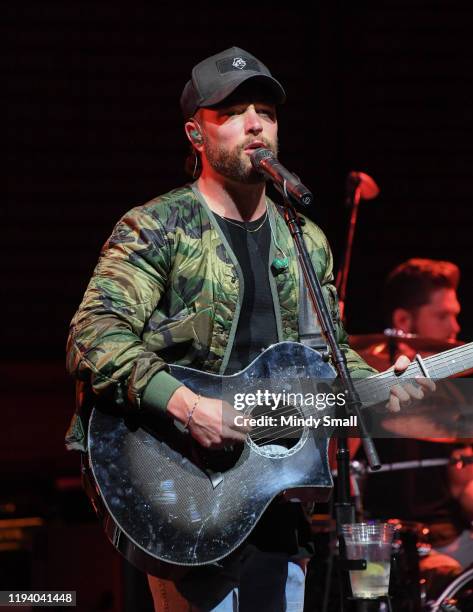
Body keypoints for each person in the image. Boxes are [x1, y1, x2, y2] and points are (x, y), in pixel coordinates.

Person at [65, 47, 428, 612]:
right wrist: (187, 405)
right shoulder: (158, 227)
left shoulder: (305, 240)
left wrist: (382, 383)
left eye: (266, 110)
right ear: (196, 134)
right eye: (232, 111)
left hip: (276, 493)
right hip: (180, 487)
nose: (255, 122)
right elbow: (94, 336)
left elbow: (327, 357)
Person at [361, 258, 473, 599]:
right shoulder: (366, 390)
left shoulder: (456, 395)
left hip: (453, 540)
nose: (455, 327)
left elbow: (465, 485)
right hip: (386, 542)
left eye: (455, 314)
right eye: (442, 316)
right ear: (403, 321)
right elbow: (341, 472)